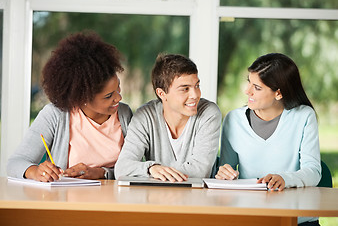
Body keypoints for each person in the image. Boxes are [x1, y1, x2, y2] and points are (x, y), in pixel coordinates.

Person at [7, 31, 132, 182]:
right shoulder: (55, 115)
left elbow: (132, 168)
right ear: (83, 97)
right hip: (66, 200)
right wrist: (35, 171)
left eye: (118, 87)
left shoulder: (124, 114)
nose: (119, 97)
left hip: (114, 202)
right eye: (108, 96)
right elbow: (15, 163)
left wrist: (101, 173)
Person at [215, 53, 321, 226]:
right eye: (249, 81)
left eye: (256, 87)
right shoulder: (233, 120)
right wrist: (223, 174)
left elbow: (314, 172)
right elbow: (225, 171)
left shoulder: (303, 116)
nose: (247, 91)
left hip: (296, 219)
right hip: (249, 217)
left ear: (278, 93)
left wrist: (285, 179)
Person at [114, 53, 222, 182]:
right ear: (162, 93)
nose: (195, 95)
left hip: (197, 197)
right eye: (185, 89)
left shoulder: (208, 113)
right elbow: (121, 168)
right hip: (157, 198)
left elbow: (200, 171)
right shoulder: (145, 116)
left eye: (197, 86)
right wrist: (151, 169)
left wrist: (155, 172)